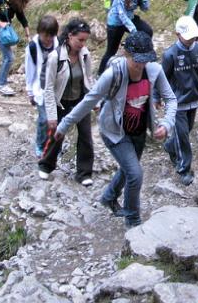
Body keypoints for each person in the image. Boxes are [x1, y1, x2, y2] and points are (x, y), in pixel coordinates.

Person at [55, 31, 177, 228]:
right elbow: (89, 101)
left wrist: (166, 123)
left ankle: (109, 196)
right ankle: (132, 219)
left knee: (129, 168)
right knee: (135, 173)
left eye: (145, 60)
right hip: (114, 131)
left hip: (139, 131)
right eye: (137, 60)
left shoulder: (154, 70)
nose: (141, 65)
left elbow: (171, 99)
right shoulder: (113, 74)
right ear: (126, 55)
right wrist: (64, 124)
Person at [161, 16, 198, 186]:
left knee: (187, 130)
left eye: (193, 36)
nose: (191, 40)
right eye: (187, 37)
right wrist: (157, 97)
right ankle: (184, 169)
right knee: (183, 137)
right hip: (176, 103)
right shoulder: (170, 55)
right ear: (177, 34)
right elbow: (161, 78)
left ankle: (170, 146)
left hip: (194, 99)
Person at [39, 18, 96, 186]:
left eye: (85, 40)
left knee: (86, 136)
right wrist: (51, 115)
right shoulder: (55, 57)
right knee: (57, 134)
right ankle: (46, 165)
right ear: (70, 36)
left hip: (80, 101)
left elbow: (89, 78)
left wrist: (95, 101)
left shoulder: (85, 54)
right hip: (61, 102)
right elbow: (49, 88)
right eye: (80, 40)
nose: (82, 44)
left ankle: (84, 173)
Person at [98, 0, 152, 76]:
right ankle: (100, 74)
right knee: (111, 51)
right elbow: (121, 14)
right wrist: (133, 31)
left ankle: (139, 57)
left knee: (147, 31)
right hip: (115, 23)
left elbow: (145, 9)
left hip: (129, 19)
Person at [25, 15, 60, 158]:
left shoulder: (58, 43)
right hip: (40, 89)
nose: (49, 39)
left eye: (52, 36)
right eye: (46, 36)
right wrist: (30, 92)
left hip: (56, 88)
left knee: (56, 119)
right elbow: (30, 70)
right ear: (39, 32)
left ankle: (54, 144)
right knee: (44, 119)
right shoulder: (32, 47)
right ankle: (40, 143)